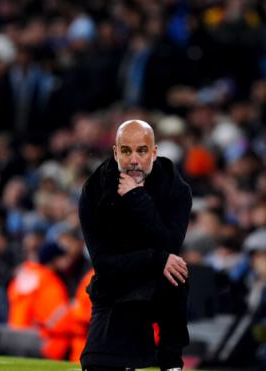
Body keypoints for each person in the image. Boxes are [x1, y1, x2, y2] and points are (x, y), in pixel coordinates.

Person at [78, 120, 192, 371]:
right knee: (97, 365)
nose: (134, 160)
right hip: (115, 286)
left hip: (157, 283)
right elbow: (103, 264)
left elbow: (170, 245)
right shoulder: (95, 190)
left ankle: (171, 361)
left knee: (177, 271)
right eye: (126, 151)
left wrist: (137, 197)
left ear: (154, 152)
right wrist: (155, 258)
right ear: (116, 152)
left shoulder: (175, 188)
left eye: (142, 151)